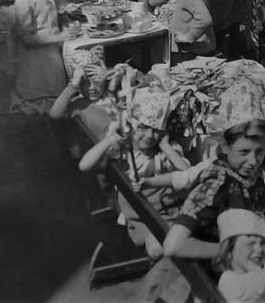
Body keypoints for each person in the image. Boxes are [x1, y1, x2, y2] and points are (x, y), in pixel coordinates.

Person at [78, 89, 190, 259]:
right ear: (131, 124)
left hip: (170, 210)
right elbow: (84, 165)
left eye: (156, 130)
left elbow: (188, 174)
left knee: (183, 237)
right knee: (157, 249)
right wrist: (110, 139)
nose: (150, 136)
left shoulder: (165, 151)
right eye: (143, 128)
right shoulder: (122, 149)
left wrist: (166, 147)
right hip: (142, 218)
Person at [163, 119, 265, 260]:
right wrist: (235, 252)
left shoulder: (253, 176)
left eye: (260, 151)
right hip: (217, 272)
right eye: (244, 152)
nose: (253, 161)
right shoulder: (218, 182)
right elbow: (173, 246)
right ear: (224, 147)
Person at [12, 0, 78, 114]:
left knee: (57, 97)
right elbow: (27, 39)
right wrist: (61, 36)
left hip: (52, 56)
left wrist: (64, 16)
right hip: (35, 60)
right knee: (41, 101)